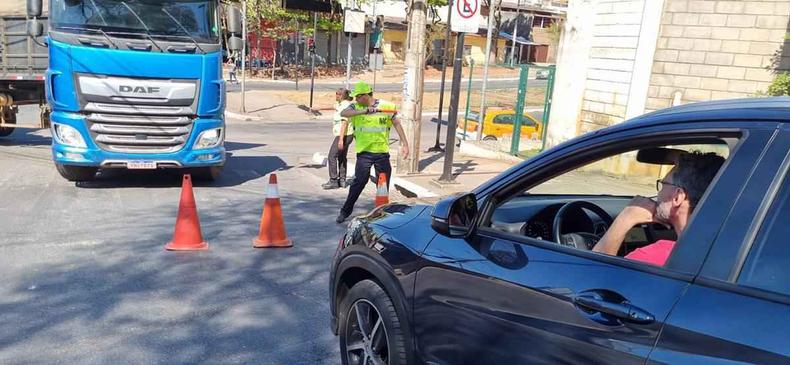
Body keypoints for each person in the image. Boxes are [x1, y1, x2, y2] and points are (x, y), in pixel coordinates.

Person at [592, 151, 725, 266]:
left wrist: (625, 218)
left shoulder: (659, 256)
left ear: (678, 196)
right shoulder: (727, 248)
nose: (659, 194)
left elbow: (592, 276)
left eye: (663, 185)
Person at [335, 81, 409, 223]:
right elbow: (344, 113)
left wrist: (405, 143)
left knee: (383, 186)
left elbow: (397, 124)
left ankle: (382, 215)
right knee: (359, 183)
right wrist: (364, 111)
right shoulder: (356, 107)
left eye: (358, 97)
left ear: (365, 95)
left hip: (381, 153)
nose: (356, 99)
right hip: (364, 154)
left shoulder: (387, 106)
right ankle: (345, 211)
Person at [323, 88, 355, 189]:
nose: (336, 96)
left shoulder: (345, 106)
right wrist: (315, 108)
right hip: (347, 135)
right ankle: (342, 180)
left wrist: (341, 139)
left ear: (342, 95)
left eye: (337, 94)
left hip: (344, 135)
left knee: (332, 156)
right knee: (341, 157)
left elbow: (344, 123)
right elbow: (332, 106)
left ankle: (333, 180)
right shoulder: (342, 104)